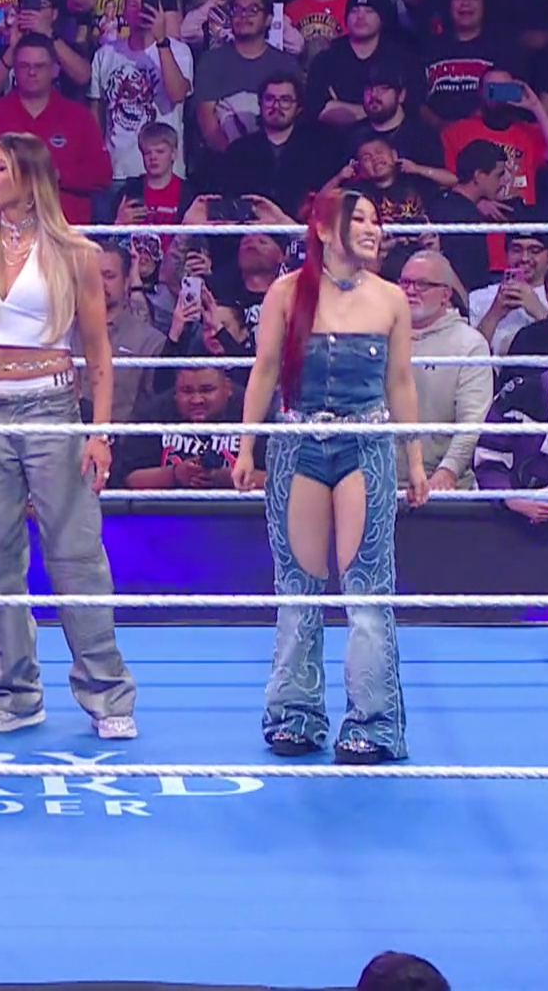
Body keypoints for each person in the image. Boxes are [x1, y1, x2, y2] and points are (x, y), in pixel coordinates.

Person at [0, 133, 139, 741]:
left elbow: (97, 349)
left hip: (51, 406)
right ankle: (13, 694)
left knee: (76, 556)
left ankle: (107, 694)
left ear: (28, 175)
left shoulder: (74, 252)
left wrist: (100, 432)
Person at [233, 189, 429, 765]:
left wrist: (415, 459)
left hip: (365, 443)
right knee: (298, 586)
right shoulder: (286, 292)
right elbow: (265, 371)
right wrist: (247, 447)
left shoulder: (390, 298)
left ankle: (375, 723)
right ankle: (295, 714)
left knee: (367, 587)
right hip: (297, 442)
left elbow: (400, 383)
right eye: (358, 219)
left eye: (375, 220)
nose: (372, 229)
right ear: (323, 229)